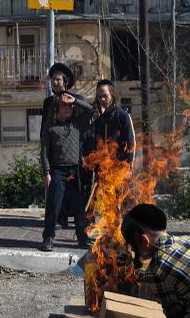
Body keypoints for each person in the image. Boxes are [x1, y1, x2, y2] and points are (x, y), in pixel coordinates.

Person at [40, 93, 93, 251]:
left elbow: (91, 110)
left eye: (70, 106)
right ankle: (48, 239)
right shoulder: (49, 128)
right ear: (56, 109)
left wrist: (75, 100)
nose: (68, 108)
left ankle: (82, 239)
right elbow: (44, 152)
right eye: (64, 105)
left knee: (79, 208)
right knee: (53, 206)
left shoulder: (77, 124)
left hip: (75, 171)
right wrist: (46, 172)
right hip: (57, 171)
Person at [43, 62, 89, 230]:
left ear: (66, 81)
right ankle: (56, 223)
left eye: (58, 80)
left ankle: (80, 230)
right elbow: (44, 128)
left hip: (74, 154)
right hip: (55, 155)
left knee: (77, 197)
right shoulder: (48, 102)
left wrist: (74, 101)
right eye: (53, 80)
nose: (55, 83)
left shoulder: (75, 100)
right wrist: (45, 167)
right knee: (55, 198)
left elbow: (89, 112)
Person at [81, 78, 135, 213]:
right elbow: (94, 143)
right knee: (108, 204)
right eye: (99, 96)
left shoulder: (122, 116)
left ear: (112, 95)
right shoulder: (99, 119)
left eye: (105, 96)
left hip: (120, 167)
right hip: (103, 168)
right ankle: (111, 231)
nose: (102, 99)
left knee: (122, 203)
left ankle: (124, 230)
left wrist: (127, 164)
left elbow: (130, 142)